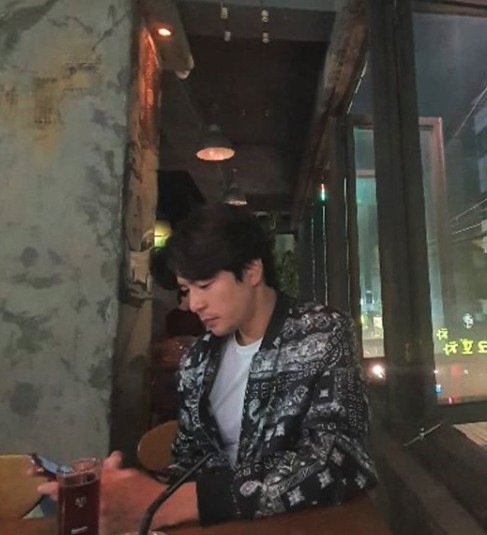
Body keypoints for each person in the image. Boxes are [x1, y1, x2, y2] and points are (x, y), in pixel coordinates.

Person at [39, 203, 377, 534]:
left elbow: (341, 459)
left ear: (252, 271)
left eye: (205, 285)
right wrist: (124, 487)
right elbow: (190, 464)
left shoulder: (322, 333)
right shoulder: (198, 361)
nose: (194, 304)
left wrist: (176, 504)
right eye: (187, 290)